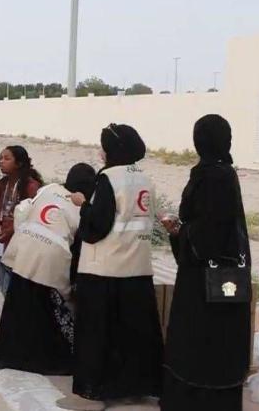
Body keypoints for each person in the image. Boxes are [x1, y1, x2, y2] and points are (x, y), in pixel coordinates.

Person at [58, 124, 163, 411]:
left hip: (104, 270)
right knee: (133, 336)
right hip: (138, 270)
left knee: (101, 337)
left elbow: (96, 227)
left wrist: (82, 205)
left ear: (112, 150)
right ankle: (137, 387)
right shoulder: (145, 179)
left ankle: (99, 390)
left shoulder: (108, 179)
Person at [160, 115, 252, 411]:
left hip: (203, 279)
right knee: (221, 340)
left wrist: (179, 231)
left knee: (198, 342)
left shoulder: (211, 176)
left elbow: (209, 233)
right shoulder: (225, 172)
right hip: (227, 275)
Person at [0, 163, 97, 376]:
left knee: (19, 305)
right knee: (46, 311)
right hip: (53, 259)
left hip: (24, 250)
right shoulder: (83, 205)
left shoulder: (49, 189)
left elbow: (23, 210)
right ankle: (46, 360)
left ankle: (10, 354)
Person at [0, 145, 43, 352]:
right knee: (6, 290)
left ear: (19, 163)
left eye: (6, 158)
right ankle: (13, 335)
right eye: (0, 158)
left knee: (15, 291)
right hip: (3, 245)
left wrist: (12, 229)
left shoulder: (30, 186)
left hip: (20, 245)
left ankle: (16, 336)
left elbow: (35, 214)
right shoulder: (4, 183)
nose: (1, 162)